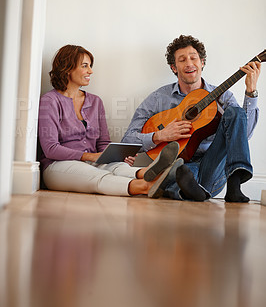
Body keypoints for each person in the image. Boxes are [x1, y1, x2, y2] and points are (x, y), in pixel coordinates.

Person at [122, 35, 261, 202]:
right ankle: (189, 189)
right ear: (174, 67)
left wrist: (251, 92)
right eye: (182, 60)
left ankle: (235, 182)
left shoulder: (223, 95)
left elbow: (242, 136)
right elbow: (127, 141)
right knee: (182, 171)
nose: (189, 63)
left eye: (193, 58)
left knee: (235, 113)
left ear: (202, 62)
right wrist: (160, 135)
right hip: (179, 163)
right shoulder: (159, 98)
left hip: (213, 164)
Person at [38, 45, 184, 197]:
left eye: (90, 66)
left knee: (119, 167)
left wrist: (116, 155)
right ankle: (146, 186)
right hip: (57, 166)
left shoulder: (95, 102)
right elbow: (51, 148)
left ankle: (149, 172)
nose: (90, 71)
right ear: (67, 68)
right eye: (85, 66)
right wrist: (89, 156)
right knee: (96, 176)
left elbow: (102, 144)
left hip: (93, 162)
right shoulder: (50, 101)